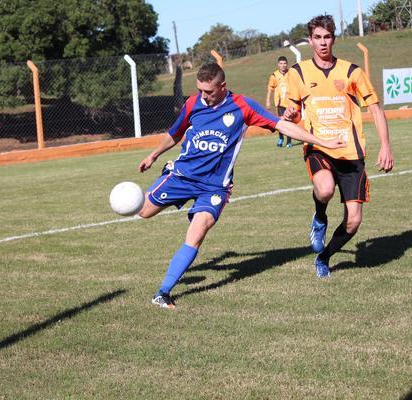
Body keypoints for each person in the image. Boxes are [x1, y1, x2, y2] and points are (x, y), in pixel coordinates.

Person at [138, 63, 345, 309]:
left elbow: (282, 125)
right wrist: (153, 155)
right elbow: (175, 132)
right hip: (182, 176)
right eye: (200, 90)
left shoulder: (243, 106)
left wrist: (322, 142)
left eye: (209, 92)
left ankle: (163, 293)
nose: (204, 96)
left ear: (222, 87)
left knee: (199, 229)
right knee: (143, 212)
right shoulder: (193, 104)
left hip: (215, 187)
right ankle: (168, 177)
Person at [284, 15, 394, 278]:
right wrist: (290, 115)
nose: (323, 43)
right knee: (324, 189)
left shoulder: (352, 72)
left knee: (354, 221)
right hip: (319, 147)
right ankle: (319, 217)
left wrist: (386, 146)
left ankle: (324, 256)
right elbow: (294, 113)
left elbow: (376, 109)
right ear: (310, 41)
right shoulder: (298, 74)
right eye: (318, 37)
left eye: (327, 37)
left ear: (334, 39)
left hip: (351, 152)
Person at [266, 56, 292, 147]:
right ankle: (281, 138)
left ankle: (289, 141)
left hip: (290, 102)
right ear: (278, 65)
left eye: (284, 63)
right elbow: (270, 88)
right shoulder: (274, 75)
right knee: (281, 122)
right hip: (280, 103)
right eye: (281, 64)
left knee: (289, 121)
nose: (283, 65)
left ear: (287, 64)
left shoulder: (291, 73)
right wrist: (268, 101)